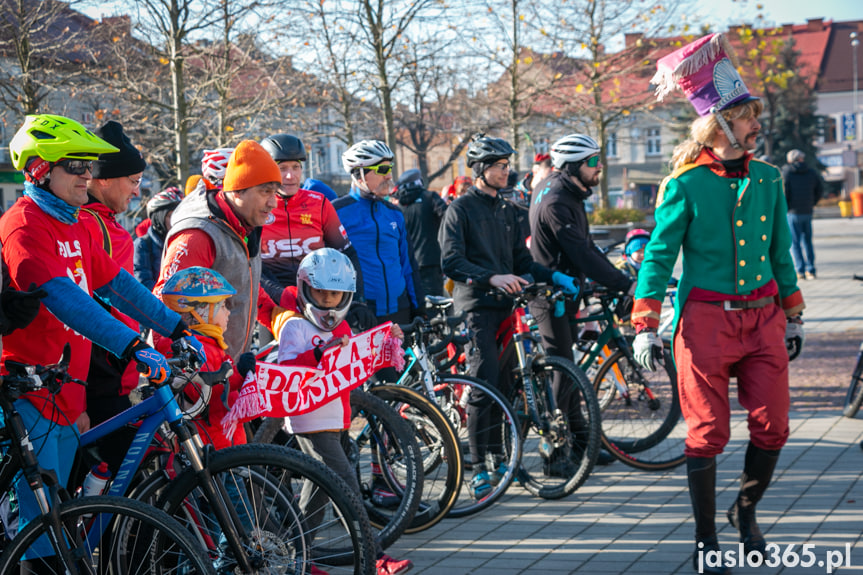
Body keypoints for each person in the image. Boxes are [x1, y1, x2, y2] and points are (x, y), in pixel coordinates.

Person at [635, 33, 805, 574]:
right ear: (721, 123)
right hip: (705, 321)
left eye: (756, 116)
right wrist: (645, 324)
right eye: (749, 117)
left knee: (773, 424)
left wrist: (795, 314)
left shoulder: (769, 178)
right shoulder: (683, 185)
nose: (758, 126)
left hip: (764, 318)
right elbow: (658, 258)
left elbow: (780, 249)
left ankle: (746, 513)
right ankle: (707, 538)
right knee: (708, 432)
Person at [2, 113, 206, 556]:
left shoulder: (76, 222)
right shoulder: (24, 226)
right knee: (42, 534)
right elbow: (63, 299)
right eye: (75, 165)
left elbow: (118, 284)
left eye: (89, 166)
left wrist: (175, 327)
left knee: (61, 517)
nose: (87, 175)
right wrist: (133, 347)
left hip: (65, 389)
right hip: (27, 390)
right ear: (39, 168)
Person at [439, 133, 578, 498]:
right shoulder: (460, 210)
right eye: (500, 166)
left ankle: (501, 457)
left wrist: (552, 277)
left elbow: (522, 262)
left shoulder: (507, 210)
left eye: (507, 165)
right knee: (483, 383)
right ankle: (479, 465)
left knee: (505, 384)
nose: (507, 171)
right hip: (476, 308)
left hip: (506, 308)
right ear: (482, 169)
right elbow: (451, 262)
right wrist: (491, 277)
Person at [276, 248, 412, 575]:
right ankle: (374, 556)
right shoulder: (295, 327)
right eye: (320, 292)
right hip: (310, 420)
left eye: (334, 294)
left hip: (336, 419)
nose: (326, 301)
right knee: (347, 486)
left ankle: (298, 561)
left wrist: (385, 341)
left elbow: (355, 368)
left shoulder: (342, 328)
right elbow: (287, 370)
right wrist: (320, 354)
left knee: (318, 495)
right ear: (306, 288)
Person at [529, 133, 635, 468]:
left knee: (570, 371)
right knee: (563, 372)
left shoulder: (567, 191)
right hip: (551, 296)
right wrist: (621, 282)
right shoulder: (557, 201)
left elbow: (585, 247)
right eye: (593, 161)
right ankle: (557, 453)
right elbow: (581, 251)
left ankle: (580, 443)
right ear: (574, 166)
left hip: (566, 292)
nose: (599, 166)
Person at [156, 140, 281, 360]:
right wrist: (200, 369)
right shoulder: (198, 235)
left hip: (226, 370)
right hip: (198, 377)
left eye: (275, 193)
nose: (274, 203)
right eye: (265, 192)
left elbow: (244, 285)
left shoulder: (243, 225)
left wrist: (278, 316)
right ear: (238, 191)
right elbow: (164, 306)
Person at [79, 120, 151, 471]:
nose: (137, 192)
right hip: (101, 377)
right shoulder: (91, 224)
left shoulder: (104, 222)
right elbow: (97, 303)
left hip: (114, 369)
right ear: (104, 179)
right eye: (133, 182)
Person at [258, 134, 373, 333]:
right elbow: (251, 266)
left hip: (320, 304)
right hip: (274, 307)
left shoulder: (318, 203)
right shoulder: (257, 206)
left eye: (296, 167)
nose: (290, 176)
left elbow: (347, 254)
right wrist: (281, 294)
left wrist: (357, 300)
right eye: (282, 168)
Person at [159, 266, 253, 449]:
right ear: (200, 312)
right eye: (223, 306)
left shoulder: (209, 344)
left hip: (224, 443)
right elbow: (199, 389)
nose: (228, 313)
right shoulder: (185, 347)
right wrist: (240, 374)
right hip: (208, 446)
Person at [333, 140, 421, 325]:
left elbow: (408, 264)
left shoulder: (394, 212)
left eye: (390, 168)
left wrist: (419, 306)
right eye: (382, 170)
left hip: (400, 309)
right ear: (359, 174)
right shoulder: (336, 212)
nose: (389, 176)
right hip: (362, 313)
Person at [394, 168, 448, 297]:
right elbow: (448, 218)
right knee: (434, 305)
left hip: (406, 265)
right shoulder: (430, 197)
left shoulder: (398, 208)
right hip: (431, 263)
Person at [781, 149, 823, 280]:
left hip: (793, 212)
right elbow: (820, 189)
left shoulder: (787, 172)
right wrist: (813, 202)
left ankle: (800, 270)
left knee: (795, 242)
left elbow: (785, 192)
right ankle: (811, 269)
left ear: (791, 160)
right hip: (807, 211)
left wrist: (786, 207)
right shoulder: (811, 172)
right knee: (807, 241)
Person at [134, 186, 185, 290]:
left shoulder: (181, 242)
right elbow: (143, 283)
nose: (175, 220)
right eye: (170, 216)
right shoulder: (143, 244)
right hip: (158, 303)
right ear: (158, 218)